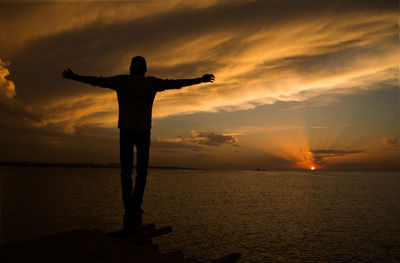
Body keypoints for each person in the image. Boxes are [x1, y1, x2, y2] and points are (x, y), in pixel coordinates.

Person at [63, 56, 215, 232]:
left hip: (126, 131)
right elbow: (176, 84)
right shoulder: (150, 83)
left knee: (126, 173)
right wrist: (200, 80)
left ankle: (129, 209)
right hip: (143, 131)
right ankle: (135, 208)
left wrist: (74, 77)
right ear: (145, 69)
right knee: (141, 173)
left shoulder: (122, 81)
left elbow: (97, 81)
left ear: (130, 68)